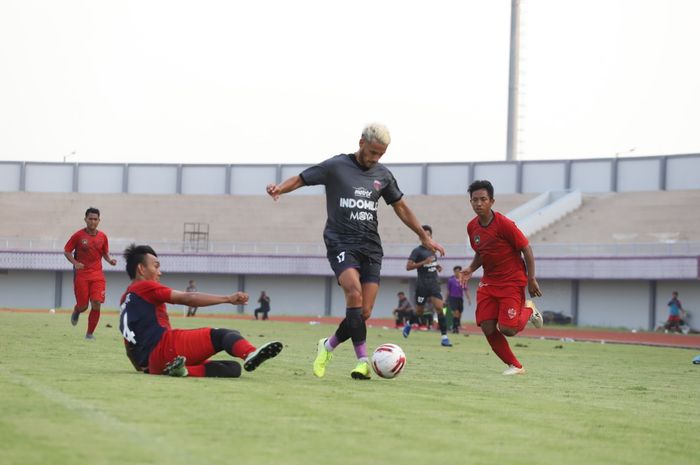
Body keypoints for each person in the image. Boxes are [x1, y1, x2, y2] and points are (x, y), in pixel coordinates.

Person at [266, 123, 445, 380]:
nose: (375, 158)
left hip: (371, 246)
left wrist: (423, 236)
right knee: (353, 290)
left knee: (363, 313)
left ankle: (327, 346)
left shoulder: (383, 175)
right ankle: (362, 361)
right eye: (372, 152)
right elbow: (302, 178)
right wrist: (279, 189)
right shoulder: (336, 166)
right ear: (361, 142)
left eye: (380, 154)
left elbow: (401, 207)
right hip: (340, 241)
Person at [119, 244, 283, 377]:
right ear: (141, 269)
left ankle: (181, 370)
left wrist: (144, 367)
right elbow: (187, 298)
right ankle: (250, 353)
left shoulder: (125, 299)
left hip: (153, 364)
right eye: (156, 266)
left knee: (232, 368)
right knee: (223, 335)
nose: (160, 272)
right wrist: (227, 299)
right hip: (166, 347)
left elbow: (128, 347)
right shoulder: (146, 286)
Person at [459, 180, 543, 375]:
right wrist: (471, 268)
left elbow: (526, 249)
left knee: (508, 329)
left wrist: (531, 279)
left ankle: (528, 309)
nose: (478, 204)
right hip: (489, 282)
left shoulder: (504, 224)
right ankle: (515, 366)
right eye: (474, 200)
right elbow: (482, 252)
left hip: (512, 281)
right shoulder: (472, 227)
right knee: (487, 326)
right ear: (470, 202)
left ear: (492, 201)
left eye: (483, 199)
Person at [64, 207, 118, 339]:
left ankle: (89, 334)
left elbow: (104, 252)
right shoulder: (78, 236)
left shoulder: (103, 237)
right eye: (90, 219)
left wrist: (110, 260)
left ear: (99, 220)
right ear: (85, 219)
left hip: (97, 275)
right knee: (83, 306)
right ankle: (77, 310)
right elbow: (67, 251)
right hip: (82, 275)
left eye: (95, 219)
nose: (93, 221)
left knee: (96, 303)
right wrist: (75, 263)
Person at [402, 225, 452, 346]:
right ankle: (409, 324)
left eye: (428, 235)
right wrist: (424, 262)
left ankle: (444, 337)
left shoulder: (433, 250)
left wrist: (436, 266)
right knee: (419, 311)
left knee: (440, 309)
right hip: (422, 285)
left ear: (431, 236)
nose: (427, 237)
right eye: (424, 235)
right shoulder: (417, 251)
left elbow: (432, 263)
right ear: (420, 237)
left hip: (434, 284)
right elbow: (408, 267)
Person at [447, 265, 472, 333]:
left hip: (460, 298)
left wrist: (469, 299)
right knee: (456, 312)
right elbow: (448, 291)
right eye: (456, 271)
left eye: (459, 271)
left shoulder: (463, 280)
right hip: (453, 298)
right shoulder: (451, 280)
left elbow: (466, 290)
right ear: (454, 272)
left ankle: (457, 325)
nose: (457, 273)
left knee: (459, 313)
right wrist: (445, 299)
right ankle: (455, 328)